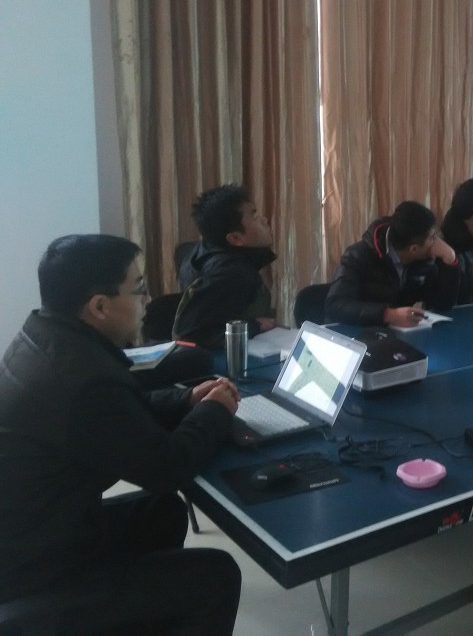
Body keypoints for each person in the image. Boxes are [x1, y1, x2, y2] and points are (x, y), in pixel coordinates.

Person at [0, 234, 241, 633]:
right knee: (216, 576)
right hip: (36, 571)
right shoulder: (83, 379)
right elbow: (169, 468)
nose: (148, 299)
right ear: (99, 306)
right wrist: (215, 411)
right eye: (139, 288)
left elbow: (116, 414)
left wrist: (186, 400)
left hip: (35, 534)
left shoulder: (44, 335)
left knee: (162, 511)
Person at [324, 201, 461, 327]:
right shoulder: (358, 255)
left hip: (394, 333)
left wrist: (450, 259)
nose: (436, 242)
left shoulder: (425, 259)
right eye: (432, 237)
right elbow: (336, 306)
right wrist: (389, 315)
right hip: (354, 333)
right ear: (413, 249)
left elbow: (442, 304)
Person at [173, 183, 277, 348]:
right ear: (235, 238)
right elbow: (189, 334)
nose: (264, 220)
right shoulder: (233, 274)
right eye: (254, 216)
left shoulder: (203, 249)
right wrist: (254, 326)